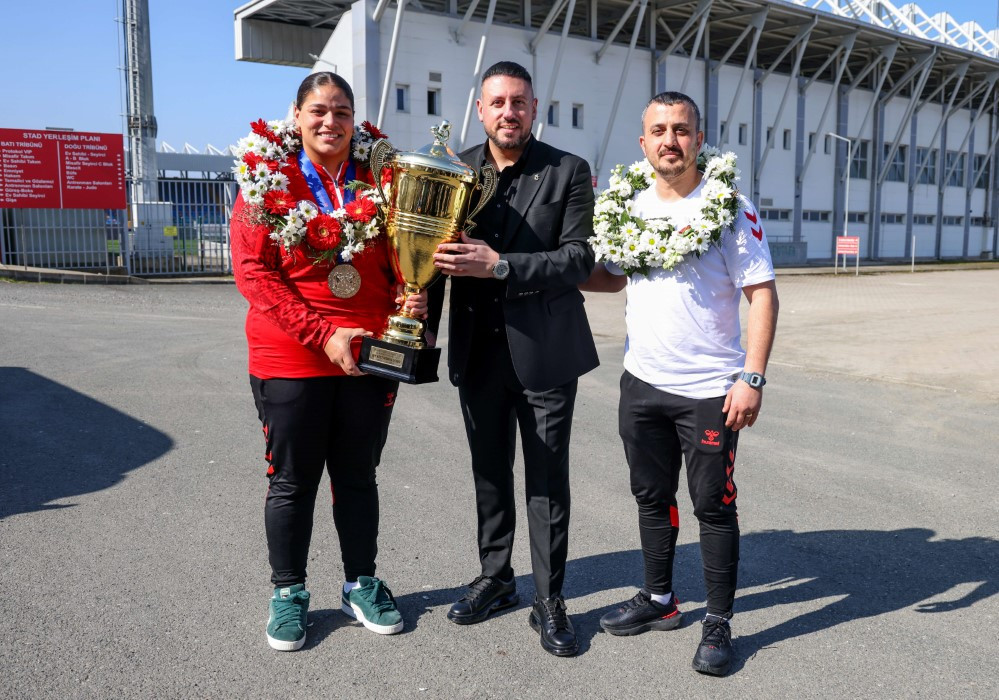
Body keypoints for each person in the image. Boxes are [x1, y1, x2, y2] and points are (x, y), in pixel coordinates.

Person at [581, 91, 779, 675]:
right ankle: (661, 599)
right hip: (642, 381)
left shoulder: (730, 208)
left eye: (682, 130)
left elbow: (762, 294)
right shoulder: (626, 205)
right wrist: (547, 271)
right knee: (651, 497)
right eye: (659, 130)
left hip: (710, 390)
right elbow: (612, 278)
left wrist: (752, 376)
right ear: (642, 143)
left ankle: (718, 621)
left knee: (712, 506)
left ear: (699, 138)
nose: (670, 140)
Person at [230, 72, 427, 651]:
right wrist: (321, 334)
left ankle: (361, 582)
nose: (330, 122)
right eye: (318, 110)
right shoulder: (268, 177)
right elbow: (253, 272)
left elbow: (400, 255)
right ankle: (288, 592)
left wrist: (409, 294)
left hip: (368, 356)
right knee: (292, 482)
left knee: (358, 475)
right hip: (289, 355)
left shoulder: (380, 176)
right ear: (296, 115)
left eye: (342, 111)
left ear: (354, 118)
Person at [427, 61, 598, 657]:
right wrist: (419, 334)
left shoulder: (567, 171)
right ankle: (496, 578)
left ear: (533, 108)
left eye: (519, 102)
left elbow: (578, 259)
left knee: (547, 479)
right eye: (497, 102)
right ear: (480, 108)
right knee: (490, 473)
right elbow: (430, 261)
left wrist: (501, 265)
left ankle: (550, 599)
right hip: (477, 350)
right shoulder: (452, 170)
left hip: (545, 353)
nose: (508, 112)